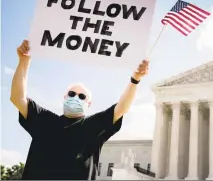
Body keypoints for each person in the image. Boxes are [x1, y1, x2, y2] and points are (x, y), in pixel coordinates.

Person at [10, 40, 150, 180]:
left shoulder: (93, 126)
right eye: (71, 94)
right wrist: (24, 61)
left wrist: (135, 80)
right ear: (64, 97)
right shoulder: (44, 120)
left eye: (82, 96)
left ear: (88, 103)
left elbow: (122, 107)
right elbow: (17, 98)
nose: (76, 98)